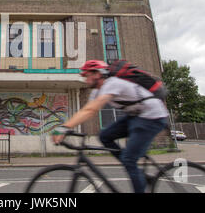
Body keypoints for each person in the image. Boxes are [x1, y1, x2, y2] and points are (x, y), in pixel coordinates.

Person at [52, 60, 169, 193]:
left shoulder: (112, 83)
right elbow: (86, 111)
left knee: (129, 159)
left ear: (97, 74)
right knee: (104, 136)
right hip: (136, 116)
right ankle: (133, 168)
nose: (85, 79)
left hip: (152, 116)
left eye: (86, 75)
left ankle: (131, 165)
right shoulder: (97, 92)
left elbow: (91, 110)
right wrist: (69, 127)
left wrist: (64, 128)